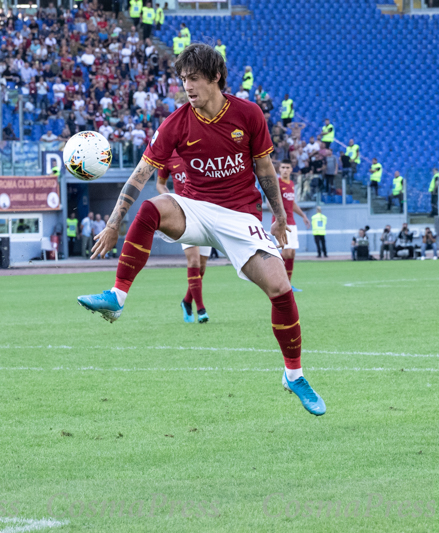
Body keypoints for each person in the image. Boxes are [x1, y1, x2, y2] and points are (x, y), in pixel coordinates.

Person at [77, 43, 325, 416]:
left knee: (280, 287)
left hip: (240, 216)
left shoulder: (249, 114)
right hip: (193, 208)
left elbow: (265, 170)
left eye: (193, 79)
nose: (187, 87)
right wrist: (114, 222)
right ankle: (117, 296)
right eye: (182, 80)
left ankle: (294, 375)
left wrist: (279, 216)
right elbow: (141, 174)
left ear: (216, 78)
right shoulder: (176, 122)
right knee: (150, 209)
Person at [156, 150, 210, 323]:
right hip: (185, 216)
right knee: (193, 262)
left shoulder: (200, 150)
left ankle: (187, 301)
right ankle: (201, 310)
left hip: (205, 212)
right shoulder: (167, 157)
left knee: (201, 267)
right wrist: (170, 201)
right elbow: (160, 184)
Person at [272, 160, 310, 291]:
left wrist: (303, 216)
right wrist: (278, 218)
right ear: (279, 169)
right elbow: (270, 204)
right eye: (283, 167)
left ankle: (288, 284)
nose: (285, 170)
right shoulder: (276, 183)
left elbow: (292, 203)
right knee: (286, 253)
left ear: (291, 169)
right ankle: (278, 281)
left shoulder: (292, 184)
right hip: (281, 223)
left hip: (292, 222)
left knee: (292, 254)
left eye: (287, 167)